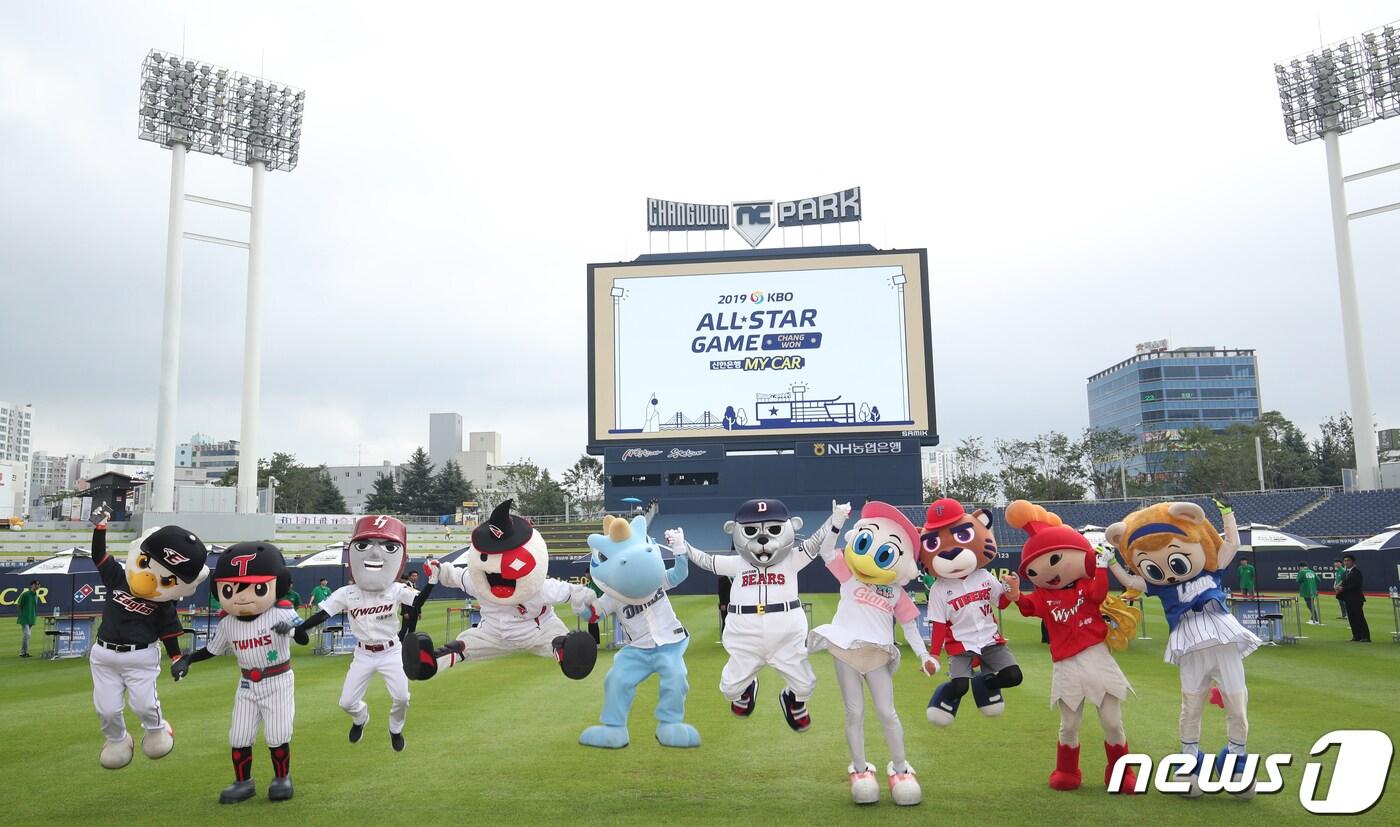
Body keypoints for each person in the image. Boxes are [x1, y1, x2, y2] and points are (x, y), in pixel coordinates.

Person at [1337, 554, 1370, 643]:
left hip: (1356, 598)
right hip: (1348, 598)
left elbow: (1356, 585)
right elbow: (1344, 583)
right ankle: (1356, 635)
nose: (1346, 562)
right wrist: (1339, 587)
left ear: (1353, 562)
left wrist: (1343, 588)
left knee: (1359, 617)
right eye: (1345, 561)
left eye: (1348, 561)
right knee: (1351, 618)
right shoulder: (1345, 573)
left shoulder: (1357, 572)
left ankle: (1365, 636)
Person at [17, 580, 40, 657]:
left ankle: (25, 652)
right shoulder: (25, 594)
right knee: (26, 635)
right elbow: (19, 604)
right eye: (36, 584)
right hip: (25, 618)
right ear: (32, 585)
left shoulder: (36, 595)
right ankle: (23, 652)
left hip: (31, 618)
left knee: (28, 636)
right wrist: (23, 614)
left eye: (39, 584)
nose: (38, 586)